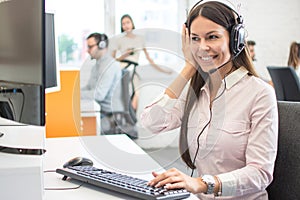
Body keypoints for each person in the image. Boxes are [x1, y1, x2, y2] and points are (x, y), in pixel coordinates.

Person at [141, 1, 278, 199]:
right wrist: (189, 67)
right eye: (195, 39)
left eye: (212, 37)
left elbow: (260, 173)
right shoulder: (197, 90)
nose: (202, 47)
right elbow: (151, 122)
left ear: (235, 39)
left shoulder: (260, 93)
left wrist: (202, 184)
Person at [110, 14, 171, 110]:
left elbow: (149, 59)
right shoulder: (119, 40)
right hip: (123, 68)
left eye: (128, 22)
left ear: (132, 23)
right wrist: (125, 55)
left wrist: (164, 71)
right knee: (123, 93)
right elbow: (113, 59)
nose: (126, 25)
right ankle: (125, 117)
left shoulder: (140, 39)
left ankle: (131, 117)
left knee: (137, 92)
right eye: (123, 24)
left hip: (134, 68)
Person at [81, 33, 123, 132]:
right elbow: (89, 87)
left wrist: (76, 95)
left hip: (109, 115)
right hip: (99, 110)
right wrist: (71, 93)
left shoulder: (110, 66)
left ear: (102, 46)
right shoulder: (97, 65)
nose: (87, 50)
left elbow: (99, 95)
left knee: (82, 127)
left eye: (90, 47)